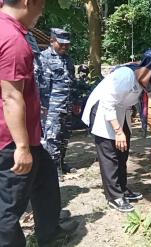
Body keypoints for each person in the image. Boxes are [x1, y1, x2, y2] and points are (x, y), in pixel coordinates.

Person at [0, 1, 78, 246]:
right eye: (41, 5)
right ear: (26, 2)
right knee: (8, 208)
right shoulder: (12, 39)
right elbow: (11, 96)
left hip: (28, 132)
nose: (42, 11)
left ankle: (50, 231)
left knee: (45, 178)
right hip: (12, 138)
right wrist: (22, 147)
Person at [82, 49, 151, 212]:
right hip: (103, 111)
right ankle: (114, 197)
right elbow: (107, 102)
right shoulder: (125, 75)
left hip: (121, 111)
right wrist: (118, 132)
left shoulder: (148, 79)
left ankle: (122, 188)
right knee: (110, 154)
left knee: (122, 152)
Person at [40, 28, 77, 174]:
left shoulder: (68, 59)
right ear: (52, 41)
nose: (64, 47)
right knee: (52, 137)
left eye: (67, 44)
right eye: (61, 44)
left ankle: (61, 162)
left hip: (66, 104)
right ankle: (53, 169)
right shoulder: (43, 58)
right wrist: (43, 106)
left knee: (65, 136)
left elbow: (72, 82)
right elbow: (42, 84)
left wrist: (75, 101)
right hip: (51, 106)